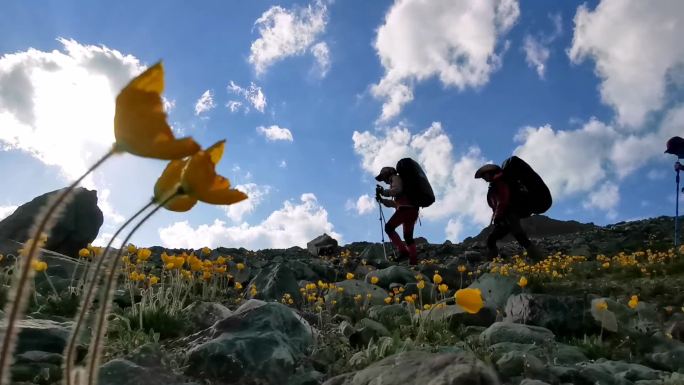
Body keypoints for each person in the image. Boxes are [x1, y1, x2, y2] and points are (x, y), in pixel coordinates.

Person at [475, 164, 542, 261]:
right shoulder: (495, 184)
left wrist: (497, 216)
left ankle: (539, 261)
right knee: (494, 239)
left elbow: (503, 200)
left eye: (484, 176)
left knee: (519, 238)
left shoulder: (500, 182)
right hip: (505, 217)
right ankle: (492, 264)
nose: (483, 178)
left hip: (508, 216)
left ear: (489, 173)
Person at [375, 166, 419, 265]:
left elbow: (397, 190)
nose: (384, 181)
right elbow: (395, 203)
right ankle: (413, 262)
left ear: (387, 174)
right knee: (408, 237)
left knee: (389, 228)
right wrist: (382, 200)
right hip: (412, 211)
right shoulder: (401, 182)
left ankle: (403, 252)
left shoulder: (395, 178)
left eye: (383, 177)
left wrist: (383, 192)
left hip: (405, 210)